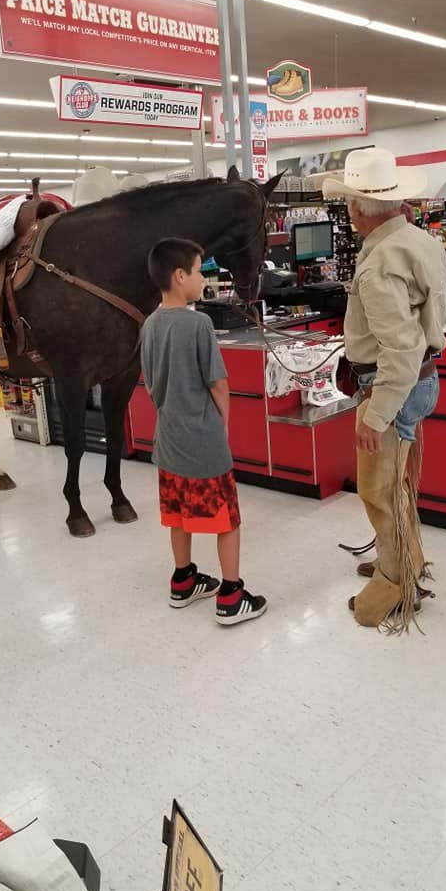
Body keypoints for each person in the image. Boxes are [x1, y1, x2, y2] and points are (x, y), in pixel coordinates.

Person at [323, 148, 446, 632]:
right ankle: (406, 559)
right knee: (399, 486)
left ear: (356, 210)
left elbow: (397, 350)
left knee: (378, 492)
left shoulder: (377, 267)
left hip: (391, 389)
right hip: (423, 381)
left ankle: (395, 587)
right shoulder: (420, 241)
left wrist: (375, 416)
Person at [141, 237, 268, 626]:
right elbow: (218, 383)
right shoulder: (198, 323)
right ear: (180, 276)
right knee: (226, 518)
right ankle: (231, 595)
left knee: (178, 514)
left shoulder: (149, 324)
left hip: (168, 438)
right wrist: (224, 422)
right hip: (203, 439)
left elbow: (150, 383)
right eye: (198, 270)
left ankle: (183, 580)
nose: (203, 277)